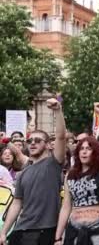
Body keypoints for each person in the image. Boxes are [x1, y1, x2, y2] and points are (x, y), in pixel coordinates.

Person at [0, 98, 67, 245]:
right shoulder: (23, 172)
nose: (32, 143)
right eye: (30, 141)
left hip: (45, 230)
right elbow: (17, 204)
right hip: (20, 230)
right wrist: (4, 232)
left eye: (38, 140)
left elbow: (61, 137)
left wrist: (58, 110)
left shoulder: (53, 164)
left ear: (49, 145)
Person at [54, 103, 99, 245]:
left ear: (95, 152)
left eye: (88, 148)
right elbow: (66, 206)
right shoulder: (71, 175)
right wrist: (58, 237)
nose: (84, 151)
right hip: (74, 229)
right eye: (81, 149)